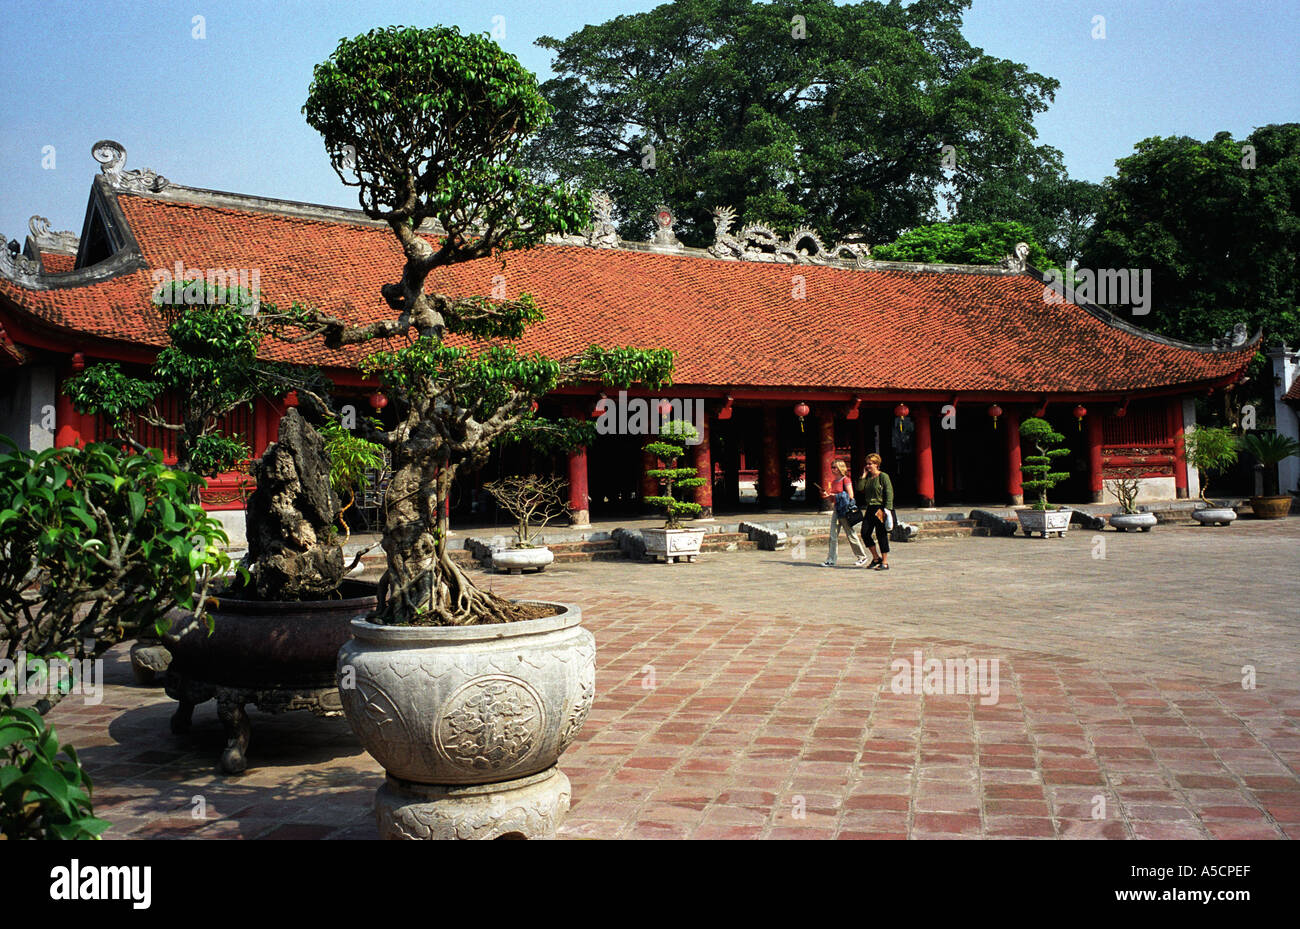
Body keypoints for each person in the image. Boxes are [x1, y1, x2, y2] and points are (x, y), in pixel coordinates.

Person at [820, 458, 869, 567]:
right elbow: (833, 499)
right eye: (832, 467)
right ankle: (831, 559)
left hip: (845, 511)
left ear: (840, 468)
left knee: (851, 534)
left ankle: (862, 556)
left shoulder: (845, 480)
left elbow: (850, 495)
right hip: (837, 510)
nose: (832, 469)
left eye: (835, 467)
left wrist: (835, 495)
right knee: (832, 536)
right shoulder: (833, 482)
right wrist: (828, 496)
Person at [856, 453, 894, 570]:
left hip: (880, 508)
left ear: (876, 464)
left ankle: (885, 562)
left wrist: (887, 509)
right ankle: (876, 558)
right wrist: (863, 475)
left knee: (881, 534)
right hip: (870, 508)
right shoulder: (868, 478)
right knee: (865, 533)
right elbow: (859, 488)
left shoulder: (883, 476)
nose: (868, 466)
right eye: (866, 464)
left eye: (870, 464)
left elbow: (889, 492)